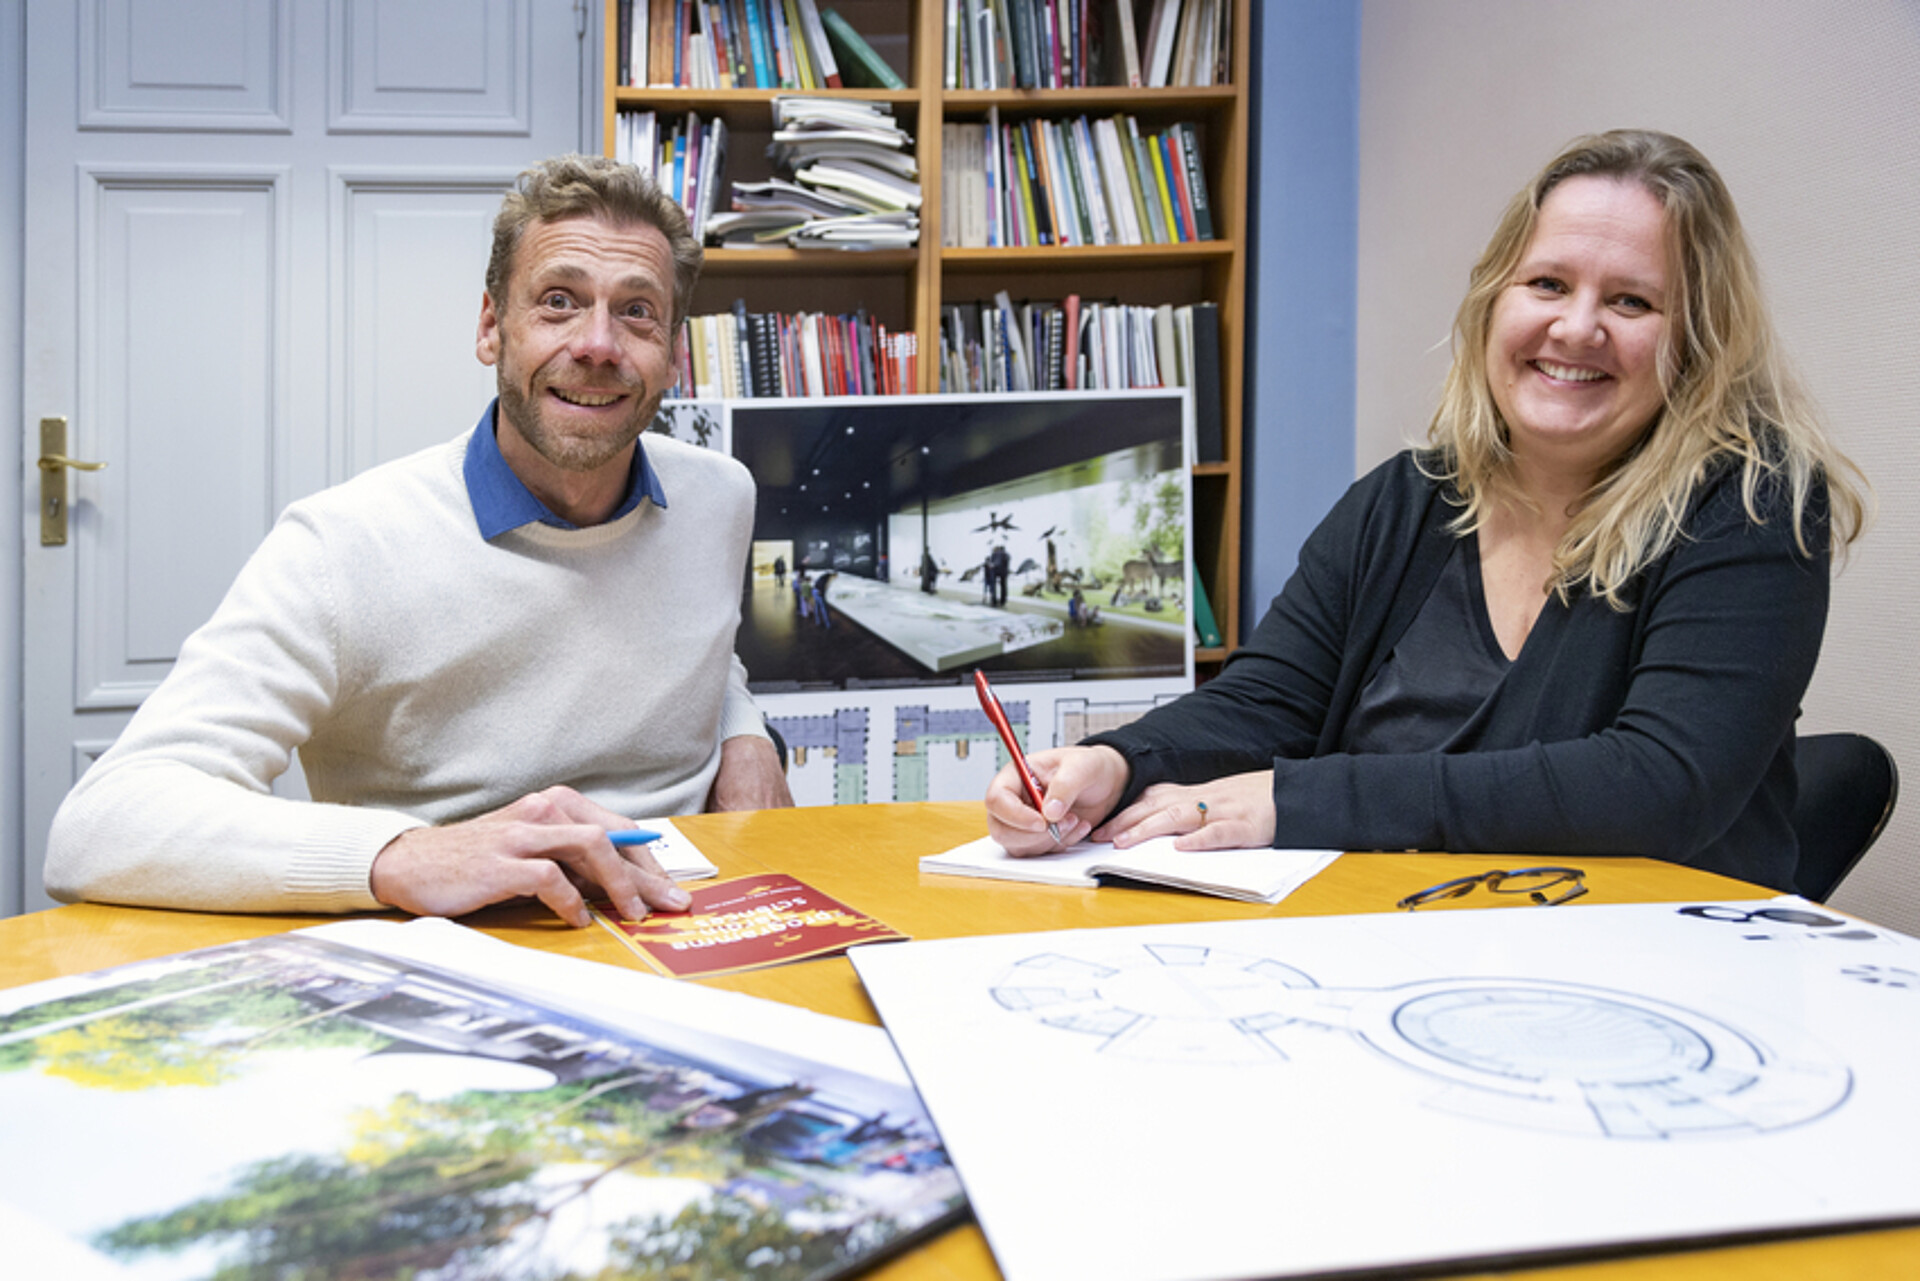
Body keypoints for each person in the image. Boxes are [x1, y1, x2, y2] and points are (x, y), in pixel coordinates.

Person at [986, 130, 1866, 893]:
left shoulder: (1753, 502)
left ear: (1698, 338)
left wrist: (1299, 800)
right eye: (1548, 283)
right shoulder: (1406, 499)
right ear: (1494, 302)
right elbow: (1266, 702)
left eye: (1631, 300)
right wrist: (1117, 761)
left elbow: (1660, 783)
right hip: (1398, 940)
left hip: (1650, 967)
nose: (1576, 327)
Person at [45, 154, 793, 927]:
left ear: (674, 354)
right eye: (559, 301)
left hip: (697, 922)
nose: (598, 344)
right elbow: (101, 823)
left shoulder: (720, 497)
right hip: (452, 960)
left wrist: (745, 733)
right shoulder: (342, 547)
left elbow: (696, 638)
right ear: (491, 327)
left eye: (637, 311)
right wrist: (401, 852)